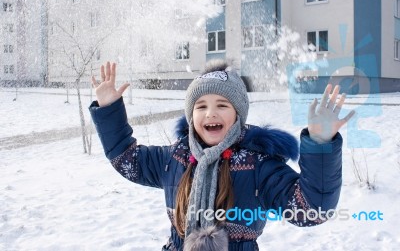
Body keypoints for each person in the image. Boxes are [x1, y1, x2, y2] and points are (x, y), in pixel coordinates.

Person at [89, 60, 355, 251]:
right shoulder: (175, 158)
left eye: (222, 105)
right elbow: (127, 159)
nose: (210, 113)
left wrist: (321, 143)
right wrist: (109, 108)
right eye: (201, 106)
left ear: (237, 115)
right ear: (191, 116)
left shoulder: (257, 165)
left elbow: (312, 209)